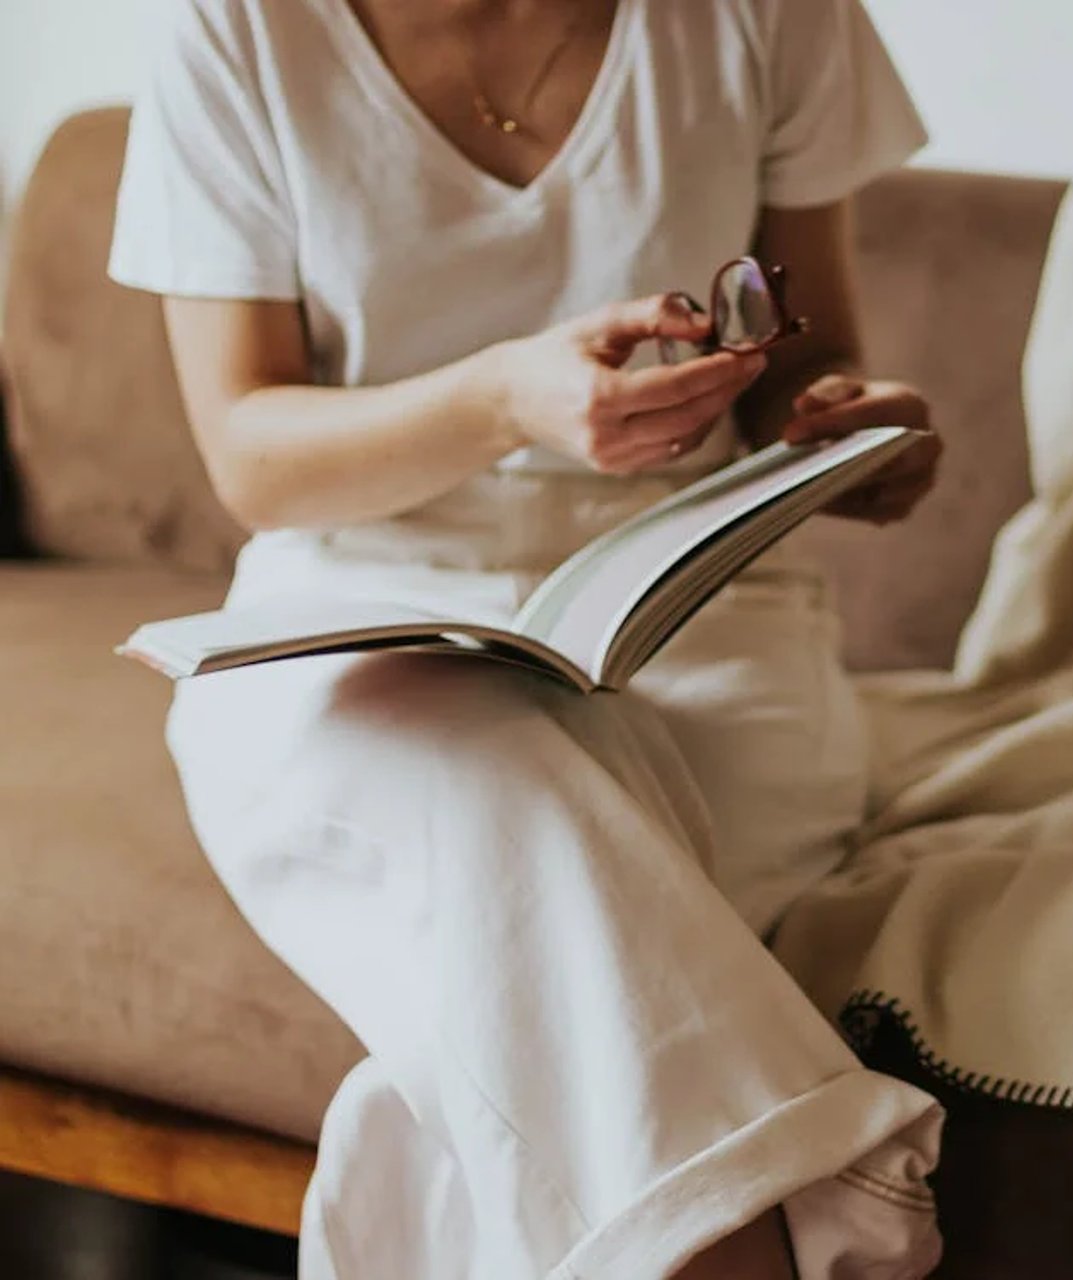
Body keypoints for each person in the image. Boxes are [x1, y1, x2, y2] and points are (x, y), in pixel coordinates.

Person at [106, 1, 947, 1276]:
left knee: (501, 1048)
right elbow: (251, 458)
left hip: (697, 609)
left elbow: (799, 358)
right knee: (492, 781)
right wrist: (505, 396)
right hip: (348, 616)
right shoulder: (239, 31)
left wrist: (841, 430)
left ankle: (824, 1224)